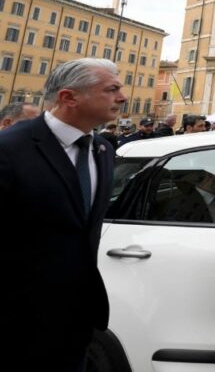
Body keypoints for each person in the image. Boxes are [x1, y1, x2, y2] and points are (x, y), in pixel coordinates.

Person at [0, 59, 124, 369]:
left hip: (77, 322)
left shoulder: (104, 151)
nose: (122, 97)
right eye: (111, 89)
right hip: (16, 322)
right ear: (69, 98)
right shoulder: (10, 149)